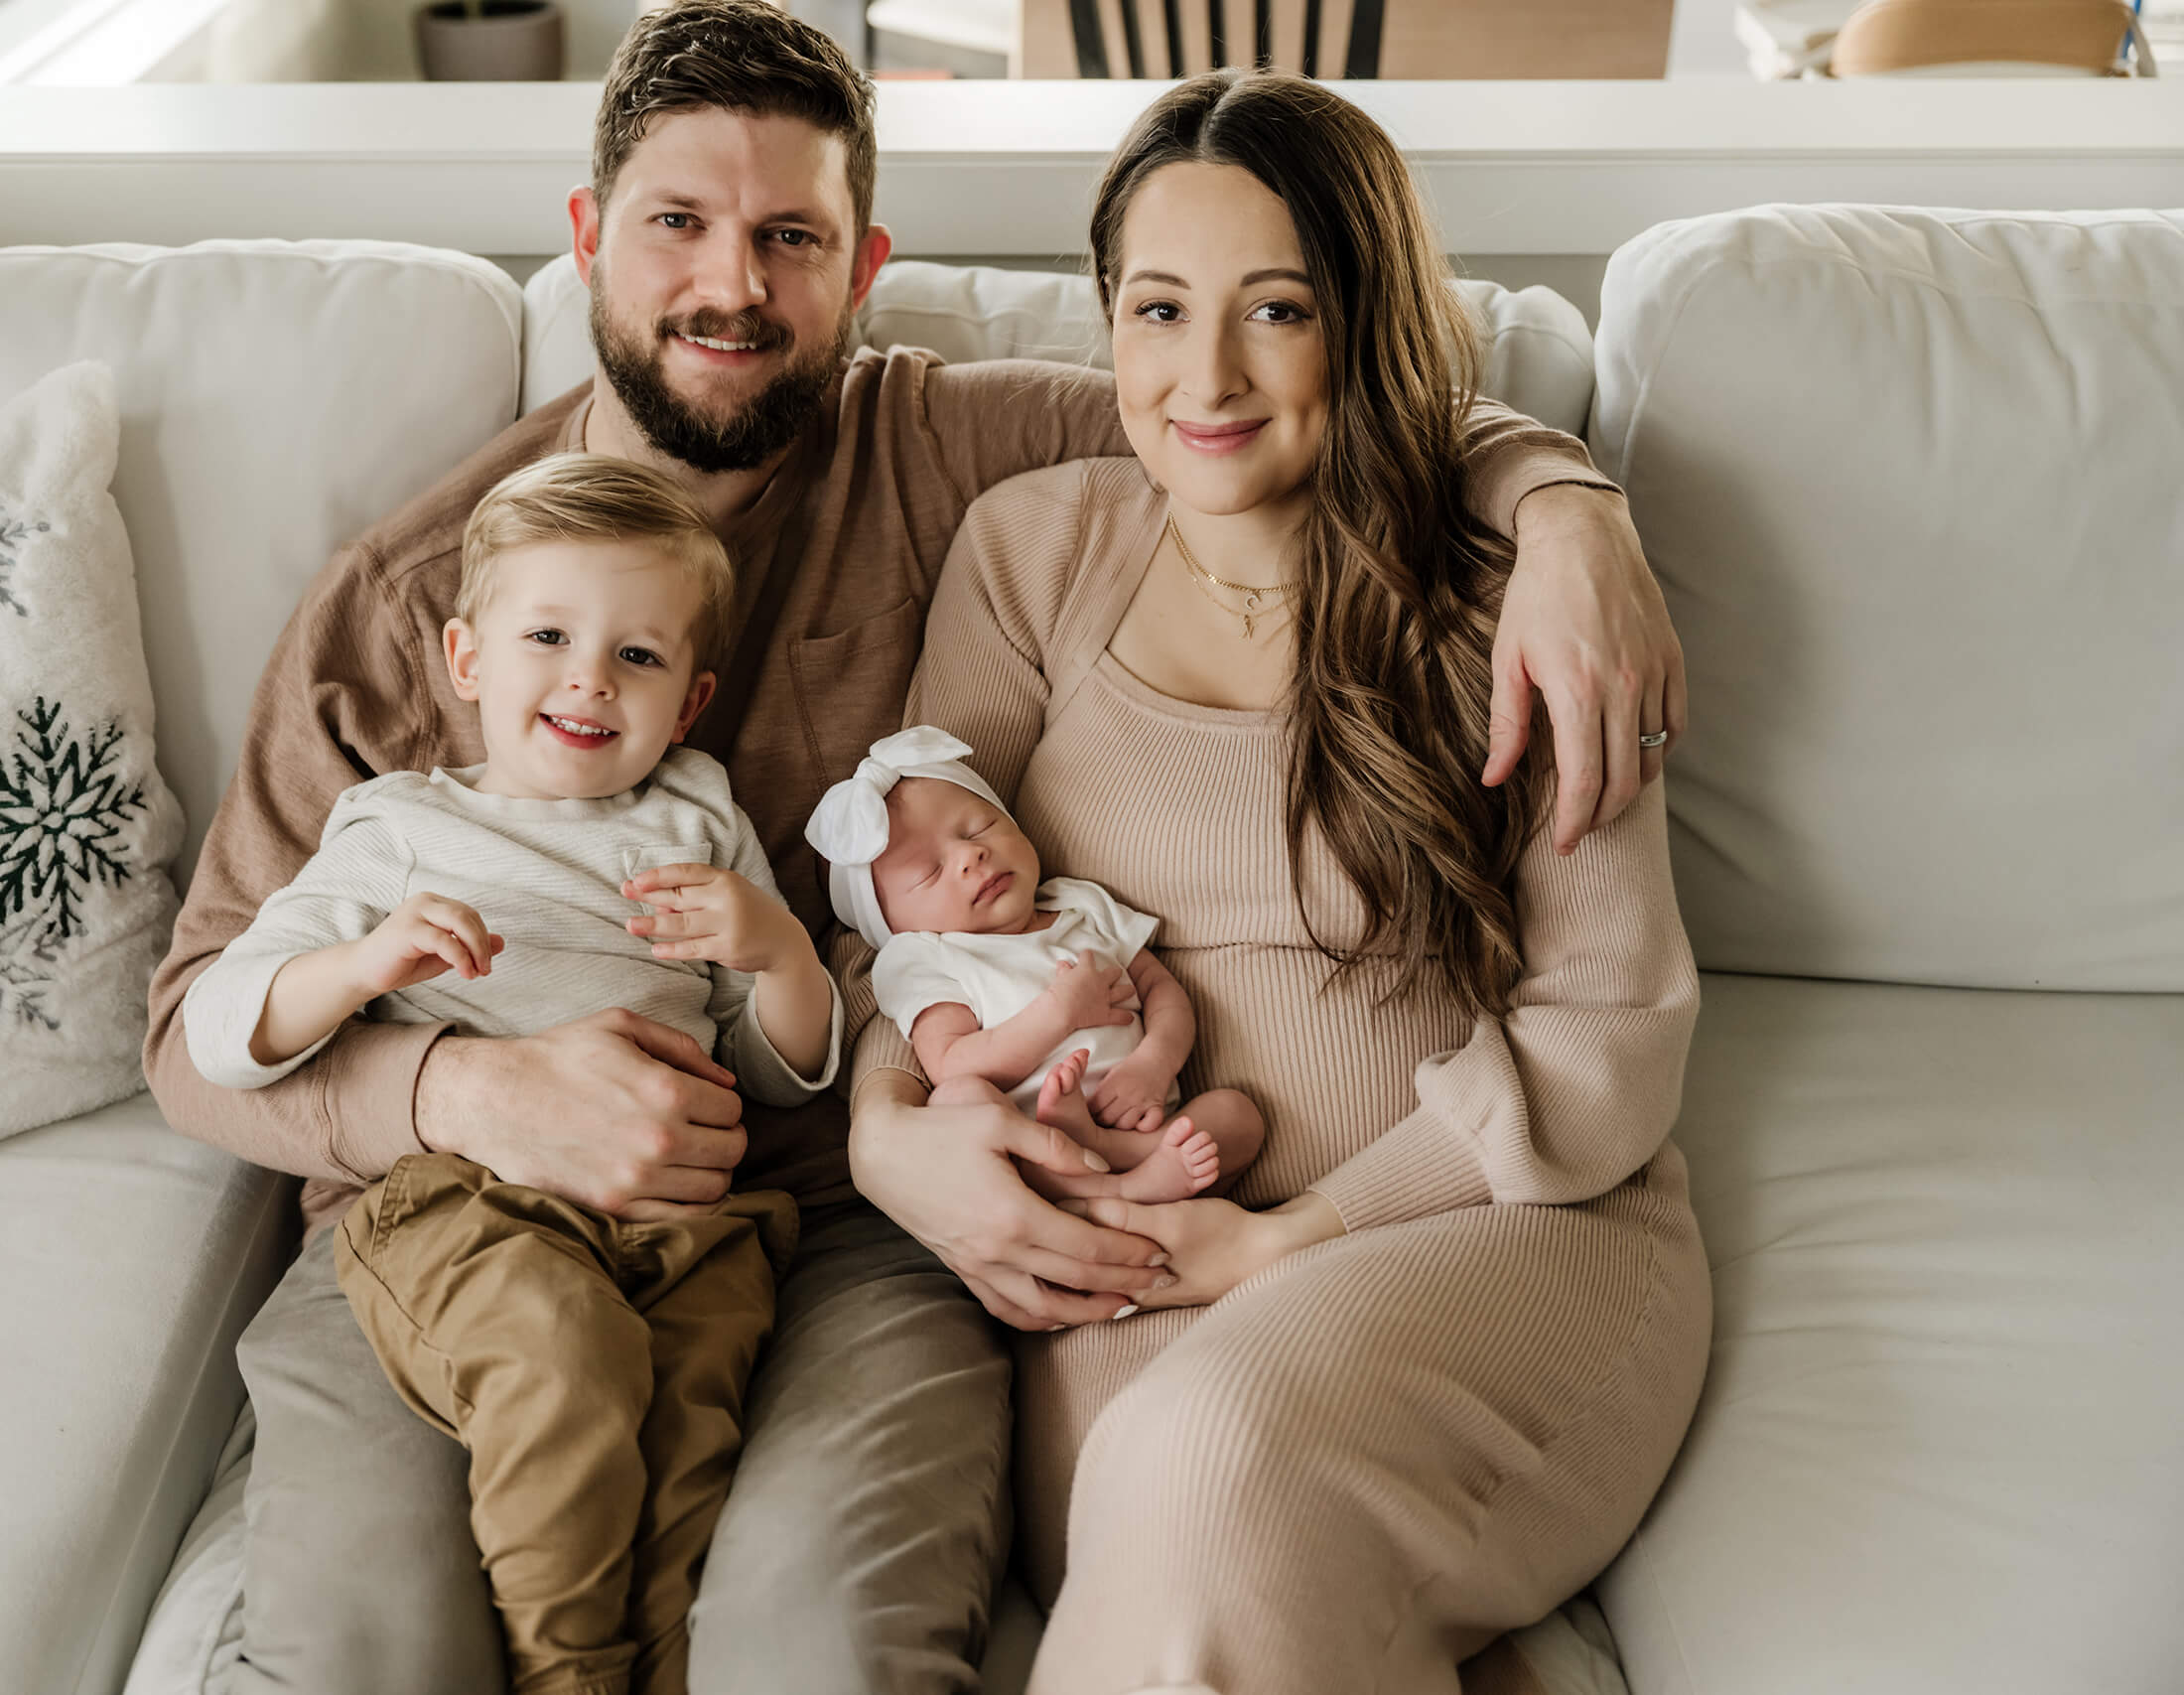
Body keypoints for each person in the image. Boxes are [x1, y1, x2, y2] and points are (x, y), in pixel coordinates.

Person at [140, 4, 1691, 1689]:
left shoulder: (955, 452)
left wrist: (1566, 505)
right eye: (677, 223)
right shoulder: (401, 603)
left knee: (833, 1647)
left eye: (788, 237)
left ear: (861, 267)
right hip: (436, 1207)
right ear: (587, 238)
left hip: (829, 1235)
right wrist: (456, 1093)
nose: (732, 285)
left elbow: (1277, 410)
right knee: (365, 1653)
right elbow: (191, 1030)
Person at [849, 71, 1711, 1693]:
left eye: (1278, 310)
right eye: (1159, 309)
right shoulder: (1029, 550)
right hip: (1142, 1246)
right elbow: (899, 918)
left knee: (1217, 1456)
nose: (1208, 376)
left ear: (1362, 321)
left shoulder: (1508, 596)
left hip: (1504, 1227)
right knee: (1178, 1518)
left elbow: (1609, 1037)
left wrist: (1290, 1237)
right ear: (1104, 320)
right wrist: (896, 1133)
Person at [179, 455, 839, 1695]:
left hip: (687, 1229)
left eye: (638, 658)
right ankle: (565, 1673)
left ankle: (642, 1662)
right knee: (561, 1365)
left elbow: (779, 1075)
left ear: (689, 701)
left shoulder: (699, 817)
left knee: (681, 1462)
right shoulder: (398, 827)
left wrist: (782, 954)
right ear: (467, 660)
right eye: (548, 636)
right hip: (462, 1205)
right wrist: (363, 960)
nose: (591, 676)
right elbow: (222, 1027)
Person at [804, 726, 1264, 1206]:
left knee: (1238, 1116)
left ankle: (1134, 1173)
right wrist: (1058, 1014)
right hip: (1039, 1155)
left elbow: (1163, 991)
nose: (969, 855)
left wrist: (1155, 1062)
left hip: (1148, 1118)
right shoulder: (926, 958)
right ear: (891, 926)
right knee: (956, 1101)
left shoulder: (1080, 906)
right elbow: (951, 1063)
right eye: (929, 872)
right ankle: (1117, 1188)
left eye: (979, 827)